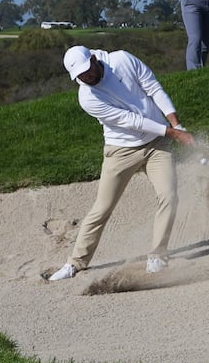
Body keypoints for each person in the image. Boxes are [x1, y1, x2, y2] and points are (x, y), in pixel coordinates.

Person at [47, 46, 194, 281]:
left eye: (87, 71)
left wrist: (176, 124)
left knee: (169, 195)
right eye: (80, 77)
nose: (86, 78)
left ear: (94, 59)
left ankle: (157, 255)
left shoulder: (123, 59)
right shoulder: (87, 97)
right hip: (121, 150)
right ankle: (75, 263)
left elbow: (153, 87)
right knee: (102, 208)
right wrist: (173, 134)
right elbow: (130, 121)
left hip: (157, 145)